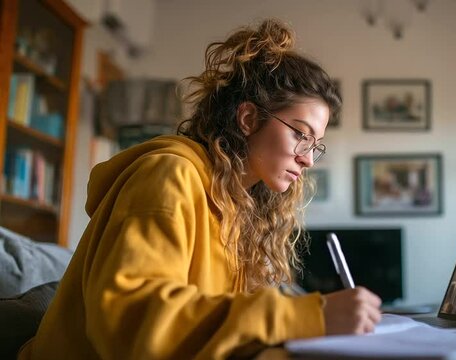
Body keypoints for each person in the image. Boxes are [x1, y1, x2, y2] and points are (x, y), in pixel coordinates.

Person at [19, 19, 382, 359]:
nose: (308, 160)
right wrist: (305, 316)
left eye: (315, 145)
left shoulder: (242, 207)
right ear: (248, 118)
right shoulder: (167, 175)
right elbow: (129, 326)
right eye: (301, 135)